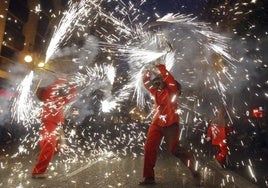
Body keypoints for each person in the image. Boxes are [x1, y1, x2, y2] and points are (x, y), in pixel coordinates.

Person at [139, 62, 201, 185]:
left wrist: (160, 66)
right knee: (149, 148)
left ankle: (193, 170)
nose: (156, 84)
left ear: (164, 82)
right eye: (156, 82)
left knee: (174, 150)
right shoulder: (155, 91)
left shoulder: (172, 90)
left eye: (159, 82)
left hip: (171, 124)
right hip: (157, 123)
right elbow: (145, 82)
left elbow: (170, 79)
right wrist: (147, 71)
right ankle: (149, 177)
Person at [32, 77, 77, 178]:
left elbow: (72, 97)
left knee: (60, 147)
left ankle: (41, 155)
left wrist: (71, 85)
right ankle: (38, 171)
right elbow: (53, 87)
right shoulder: (47, 95)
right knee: (49, 145)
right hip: (49, 123)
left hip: (56, 124)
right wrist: (62, 78)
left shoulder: (58, 99)